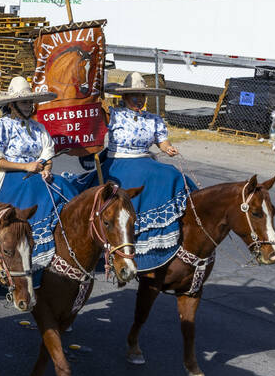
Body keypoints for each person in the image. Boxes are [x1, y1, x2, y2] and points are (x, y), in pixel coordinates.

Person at [75, 72, 193, 270]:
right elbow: (91, 122)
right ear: (125, 97)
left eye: (142, 96)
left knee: (171, 175)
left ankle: (167, 235)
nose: (138, 100)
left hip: (145, 160)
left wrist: (167, 148)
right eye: (134, 95)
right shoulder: (113, 114)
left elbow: (162, 141)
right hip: (118, 162)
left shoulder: (153, 119)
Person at [0, 75, 78, 272]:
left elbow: (48, 151)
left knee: (64, 187)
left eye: (30, 101)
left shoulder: (38, 127)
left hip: (37, 175)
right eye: (24, 101)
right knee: (32, 194)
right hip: (9, 176)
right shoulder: (0, 126)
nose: (29, 105)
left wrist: (46, 168)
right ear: (12, 104)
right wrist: (26, 167)